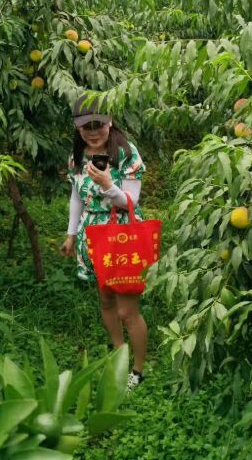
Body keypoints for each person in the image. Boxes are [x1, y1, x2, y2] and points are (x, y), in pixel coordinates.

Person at [60, 92, 147, 390]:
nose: (93, 131)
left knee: (127, 310)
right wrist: (71, 234)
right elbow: (76, 196)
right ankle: (119, 353)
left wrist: (108, 185)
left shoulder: (125, 153)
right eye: (86, 126)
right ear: (77, 126)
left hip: (122, 234)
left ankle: (137, 369)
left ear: (110, 121)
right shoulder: (77, 155)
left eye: (99, 123)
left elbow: (130, 202)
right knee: (106, 300)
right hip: (93, 235)